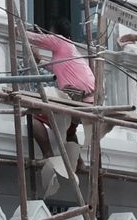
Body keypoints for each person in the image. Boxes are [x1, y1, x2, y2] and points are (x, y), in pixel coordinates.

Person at [26, 28, 95, 171]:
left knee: (33, 116)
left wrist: (18, 28)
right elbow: (52, 67)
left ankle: (47, 154)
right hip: (88, 99)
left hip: (75, 96)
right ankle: (78, 163)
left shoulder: (60, 40)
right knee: (69, 130)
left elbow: (28, 36)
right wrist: (38, 59)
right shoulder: (69, 53)